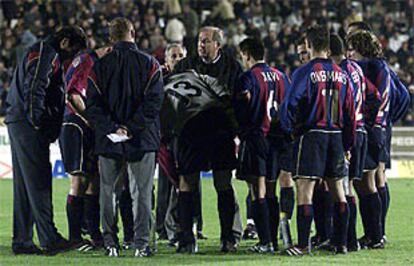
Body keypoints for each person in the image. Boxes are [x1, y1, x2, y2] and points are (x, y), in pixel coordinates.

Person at [85, 17, 164, 257]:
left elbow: (93, 105)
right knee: (142, 192)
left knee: (107, 191)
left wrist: (113, 128)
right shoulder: (150, 63)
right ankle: (141, 244)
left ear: (111, 37)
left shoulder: (99, 66)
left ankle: (110, 243)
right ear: (133, 32)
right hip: (142, 138)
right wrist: (130, 128)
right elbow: (154, 103)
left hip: (109, 139)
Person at [6, 26, 87, 255]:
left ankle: (22, 240)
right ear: (64, 42)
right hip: (28, 124)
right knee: (40, 181)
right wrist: (38, 122)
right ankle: (49, 238)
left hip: (18, 120)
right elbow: (35, 88)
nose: (70, 58)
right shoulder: (47, 53)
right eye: (72, 52)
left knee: (25, 186)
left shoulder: (40, 51)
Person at [280, 25, 356, 255]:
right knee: (338, 190)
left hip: (312, 135)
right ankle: (341, 243)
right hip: (336, 136)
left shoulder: (305, 72)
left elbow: (289, 105)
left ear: (310, 45)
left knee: (305, 188)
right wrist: (348, 144)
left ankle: (303, 245)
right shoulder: (342, 74)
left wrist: (289, 131)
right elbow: (351, 112)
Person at [170, 26, 243, 253]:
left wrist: (235, 129)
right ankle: (186, 240)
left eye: (206, 41)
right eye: (200, 41)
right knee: (186, 183)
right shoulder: (185, 66)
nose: (201, 45)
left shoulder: (232, 67)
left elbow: (239, 101)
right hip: (190, 135)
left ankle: (227, 237)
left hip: (220, 134)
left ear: (217, 45)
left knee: (223, 183)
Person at [235, 37, 291, 253]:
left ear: (247, 54)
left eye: (242, 56)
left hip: (257, 137)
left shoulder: (248, 77)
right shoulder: (281, 76)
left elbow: (242, 106)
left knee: (256, 190)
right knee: (270, 190)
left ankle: (265, 241)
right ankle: (273, 241)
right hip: (277, 140)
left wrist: (242, 130)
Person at [330, 33, 381, 251]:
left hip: (349, 132)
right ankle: (365, 238)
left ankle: (348, 241)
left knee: (345, 186)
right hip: (361, 130)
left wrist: (348, 137)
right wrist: (365, 121)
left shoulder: (340, 72)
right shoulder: (356, 69)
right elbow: (375, 96)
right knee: (351, 184)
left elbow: (346, 106)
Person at [347, 30, 394, 249]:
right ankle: (374, 235)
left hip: (371, 128)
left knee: (366, 182)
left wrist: (375, 125)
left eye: (351, 48)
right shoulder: (376, 67)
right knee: (367, 182)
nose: (349, 53)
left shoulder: (372, 67)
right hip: (375, 128)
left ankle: (375, 236)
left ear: (360, 48)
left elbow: (380, 98)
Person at [60, 46, 111, 251]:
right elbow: (73, 95)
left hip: (81, 126)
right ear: (108, 50)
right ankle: (75, 238)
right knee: (79, 180)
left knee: (93, 180)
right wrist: (91, 120)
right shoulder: (87, 61)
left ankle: (94, 234)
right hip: (76, 125)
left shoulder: (85, 60)